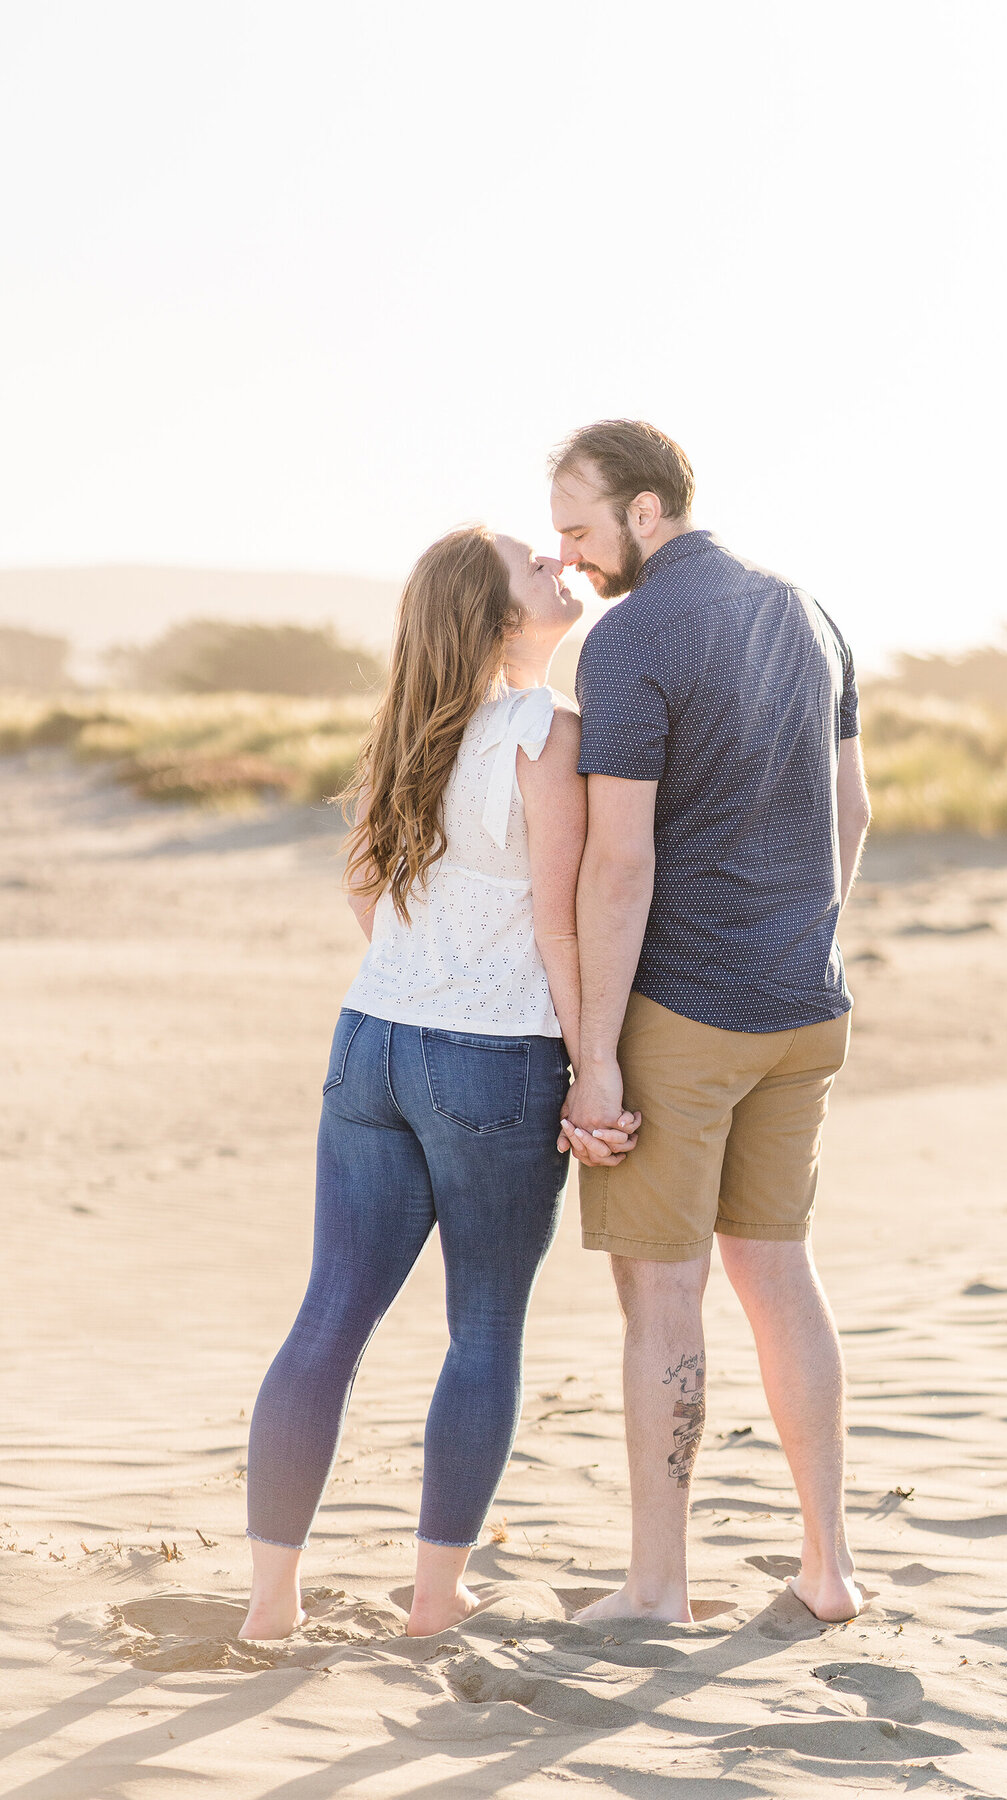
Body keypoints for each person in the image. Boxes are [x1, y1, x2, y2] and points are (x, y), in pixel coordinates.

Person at [238, 525, 638, 1642]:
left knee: (329, 1319)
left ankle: (270, 1607)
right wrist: (593, 1069)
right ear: (498, 616)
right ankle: (434, 1599)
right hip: (493, 1057)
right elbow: (560, 925)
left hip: (371, 1038)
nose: (556, 565)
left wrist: (424, 965)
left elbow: (363, 886)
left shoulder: (412, 727)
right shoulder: (549, 732)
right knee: (484, 1329)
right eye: (531, 566)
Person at [552, 420, 872, 1626]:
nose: (568, 555)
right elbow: (853, 809)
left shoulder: (632, 638)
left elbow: (618, 864)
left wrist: (594, 1059)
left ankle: (657, 1590)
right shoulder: (810, 612)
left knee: (663, 1294)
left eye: (580, 528)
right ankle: (828, 1569)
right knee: (779, 1270)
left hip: (684, 1013)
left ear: (645, 511)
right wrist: (805, 937)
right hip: (805, 1006)